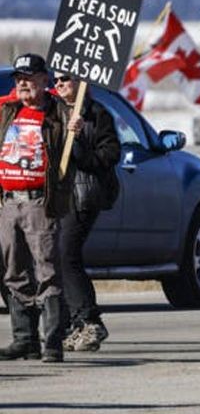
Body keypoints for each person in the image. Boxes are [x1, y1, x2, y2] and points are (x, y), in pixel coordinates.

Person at [0, 54, 75, 363]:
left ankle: (53, 341)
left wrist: (77, 128)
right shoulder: (7, 111)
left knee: (47, 269)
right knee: (13, 270)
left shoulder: (60, 114)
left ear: (46, 80)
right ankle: (24, 339)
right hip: (8, 201)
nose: (23, 83)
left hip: (38, 203)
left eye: (29, 78)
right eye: (19, 78)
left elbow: (79, 152)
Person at [56, 73, 121, 352]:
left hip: (82, 194)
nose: (58, 85)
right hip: (53, 195)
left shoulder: (96, 114)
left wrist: (79, 140)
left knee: (66, 253)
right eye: (55, 80)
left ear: (82, 84)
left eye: (65, 80)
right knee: (53, 258)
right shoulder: (52, 110)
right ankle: (70, 324)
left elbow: (110, 154)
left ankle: (89, 320)